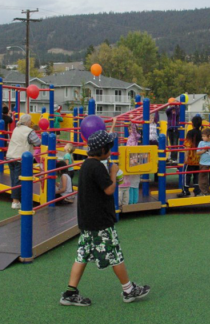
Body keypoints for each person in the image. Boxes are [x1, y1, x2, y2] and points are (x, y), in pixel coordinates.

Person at [60, 130, 150, 307]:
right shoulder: (97, 167)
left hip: (87, 221)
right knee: (114, 254)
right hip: (100, 221)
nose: (110, 150)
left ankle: (70, 292)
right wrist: (114, 172)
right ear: (101, 149)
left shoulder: (86, 165)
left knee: (82, 255)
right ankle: (128, 290)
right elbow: (109, 189)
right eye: (108, 147)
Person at [6, 114, 41, 209]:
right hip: (20, 157)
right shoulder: (29, 131)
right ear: (27, 122)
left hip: (10, 155)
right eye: (30, 120)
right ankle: (15, 201)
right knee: (19, 179)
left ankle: (15, 199)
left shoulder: (16, 129)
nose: (31, 122)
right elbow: (37, 142)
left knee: (14, 178)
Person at [178, 116, 203, 197]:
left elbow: (187, 146)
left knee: (186, 174)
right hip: (198, 157)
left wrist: (186, 156)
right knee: (196, 174)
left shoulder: (190, 133)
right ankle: (197, 190)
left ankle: (185, 190)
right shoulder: (201, 133)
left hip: (191, 157)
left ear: (192, 124)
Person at [196, 128, 210, 196]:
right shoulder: (201, 143)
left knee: (202, 178)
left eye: (204, 136)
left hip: (208, 163)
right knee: (204, 178)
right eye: (202, 136)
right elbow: (198, 152)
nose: (202, 138)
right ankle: (208, 192)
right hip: (202, 163)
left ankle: (204, 192)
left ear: (209, 136)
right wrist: (204, 150)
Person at [125, 120, 141, 204]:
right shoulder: (129, 137)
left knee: (134, 183)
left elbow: (134, 130)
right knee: (131, 183)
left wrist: (132, 122)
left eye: (130, 129)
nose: (129, 130)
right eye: (129, 129)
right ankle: (131, 201)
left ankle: (133, 201)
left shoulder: (135, 135)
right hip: (129, 155)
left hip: (133, 155)